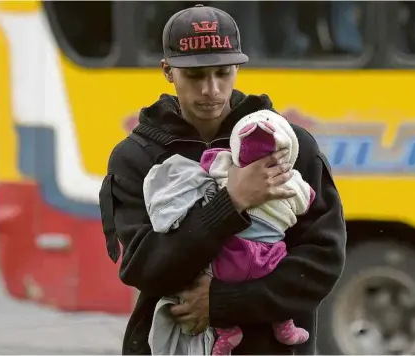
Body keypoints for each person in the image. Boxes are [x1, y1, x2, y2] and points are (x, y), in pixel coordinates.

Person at [98, 4, 347, 355]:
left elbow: (323, 262)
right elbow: (145, 268)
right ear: (168, 72)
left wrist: (224, 302)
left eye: (222, 73)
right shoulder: (135, 157)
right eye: (195, 76)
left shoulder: (289, 145)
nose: (211, 90)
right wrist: (230, 202)